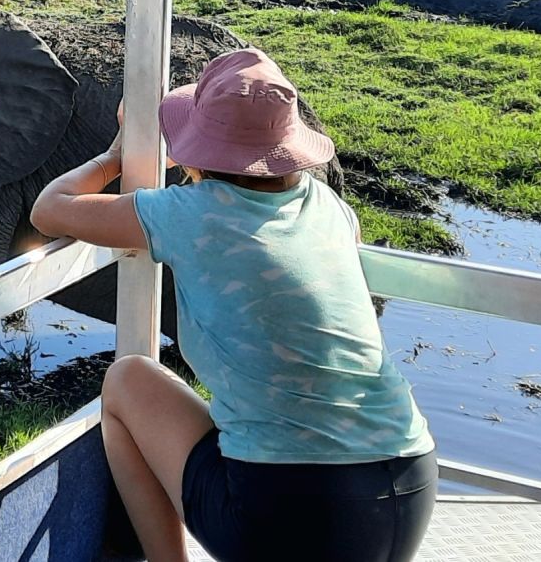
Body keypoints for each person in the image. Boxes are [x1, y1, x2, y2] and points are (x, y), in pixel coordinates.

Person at [31, 48, 435, 562]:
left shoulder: (188, 212)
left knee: (126, 380)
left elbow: (50, 210)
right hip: (410, 483)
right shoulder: (328, 206)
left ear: (198, 150)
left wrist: (115, 156)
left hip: (293, 510)